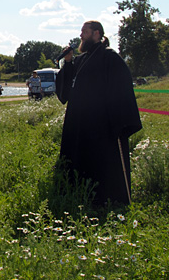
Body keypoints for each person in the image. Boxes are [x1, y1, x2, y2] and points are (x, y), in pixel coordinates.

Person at [56, 21, 142, 206]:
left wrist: (119, 121)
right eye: (81, 32)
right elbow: (66, 92)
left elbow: (122, 87)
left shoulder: (109, 57)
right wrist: (68, 63)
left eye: (84, 32)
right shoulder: (80, 59)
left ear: (97, 34)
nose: (81, 36)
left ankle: (107, 201)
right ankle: (78, 193)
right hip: (79, 122)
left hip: (101, 123)